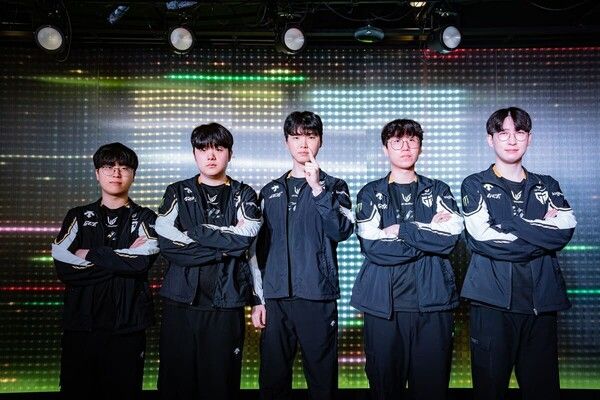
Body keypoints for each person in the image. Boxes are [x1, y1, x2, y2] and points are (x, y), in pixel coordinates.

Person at [461, 107, 577, 400]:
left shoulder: (547, 184)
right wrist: (540, 230)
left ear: (529, 138)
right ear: (490, 139)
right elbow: (481, 239)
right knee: (489, 391)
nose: (512, 140)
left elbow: (563, 231)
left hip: (541, 303)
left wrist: (510, 222)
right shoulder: (475, 184)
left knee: (543, 391)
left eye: (520, 132)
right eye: (503, 133)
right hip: (492, 304)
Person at [350, 119, 464, 399]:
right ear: (385, 149)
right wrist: (428, 234)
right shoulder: (370, 192)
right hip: (383, 307)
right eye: (397, 142)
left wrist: (403, 230)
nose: (405, 147)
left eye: (412, 140)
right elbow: (373, 246)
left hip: (434, 304)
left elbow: (449, 240)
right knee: (385, 388)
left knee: (432, 389)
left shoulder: (438, 190)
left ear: (420, 147)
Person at [155, 123, 262, 400]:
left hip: (226, 303)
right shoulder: (177, 191)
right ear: (194, 154)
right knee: (175, 385)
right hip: (180, 302)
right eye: (203, 149)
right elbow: (167, 244)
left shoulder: (244, 194)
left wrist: (197, 232)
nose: (211, 155)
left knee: (220, 385)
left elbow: (246, 239)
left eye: (219, 148)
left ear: (230, 154)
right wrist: (222, 250)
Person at [251, 111, 354, 400]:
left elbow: (342, 230)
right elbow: (258, 250)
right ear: (286, 142)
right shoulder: (270, 190)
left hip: (316, 295)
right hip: (276, 298)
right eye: (296, 137)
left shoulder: (335, 186)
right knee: (272, 378)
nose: (303, 143)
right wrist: (258, 300)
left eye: (310, 136)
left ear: (321, 141)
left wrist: (317, 189)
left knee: (322, 380)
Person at [52, 142, 159, 400]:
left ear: (133, 174)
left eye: (124, 167)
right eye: (109, 166)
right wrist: (122, 259)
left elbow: (141, 262)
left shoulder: (146, 218)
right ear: (97, 173)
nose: (116, 173)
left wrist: (89, 253)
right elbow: (64, 265)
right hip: (81, 326)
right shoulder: (78, 216)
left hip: (128, 326)